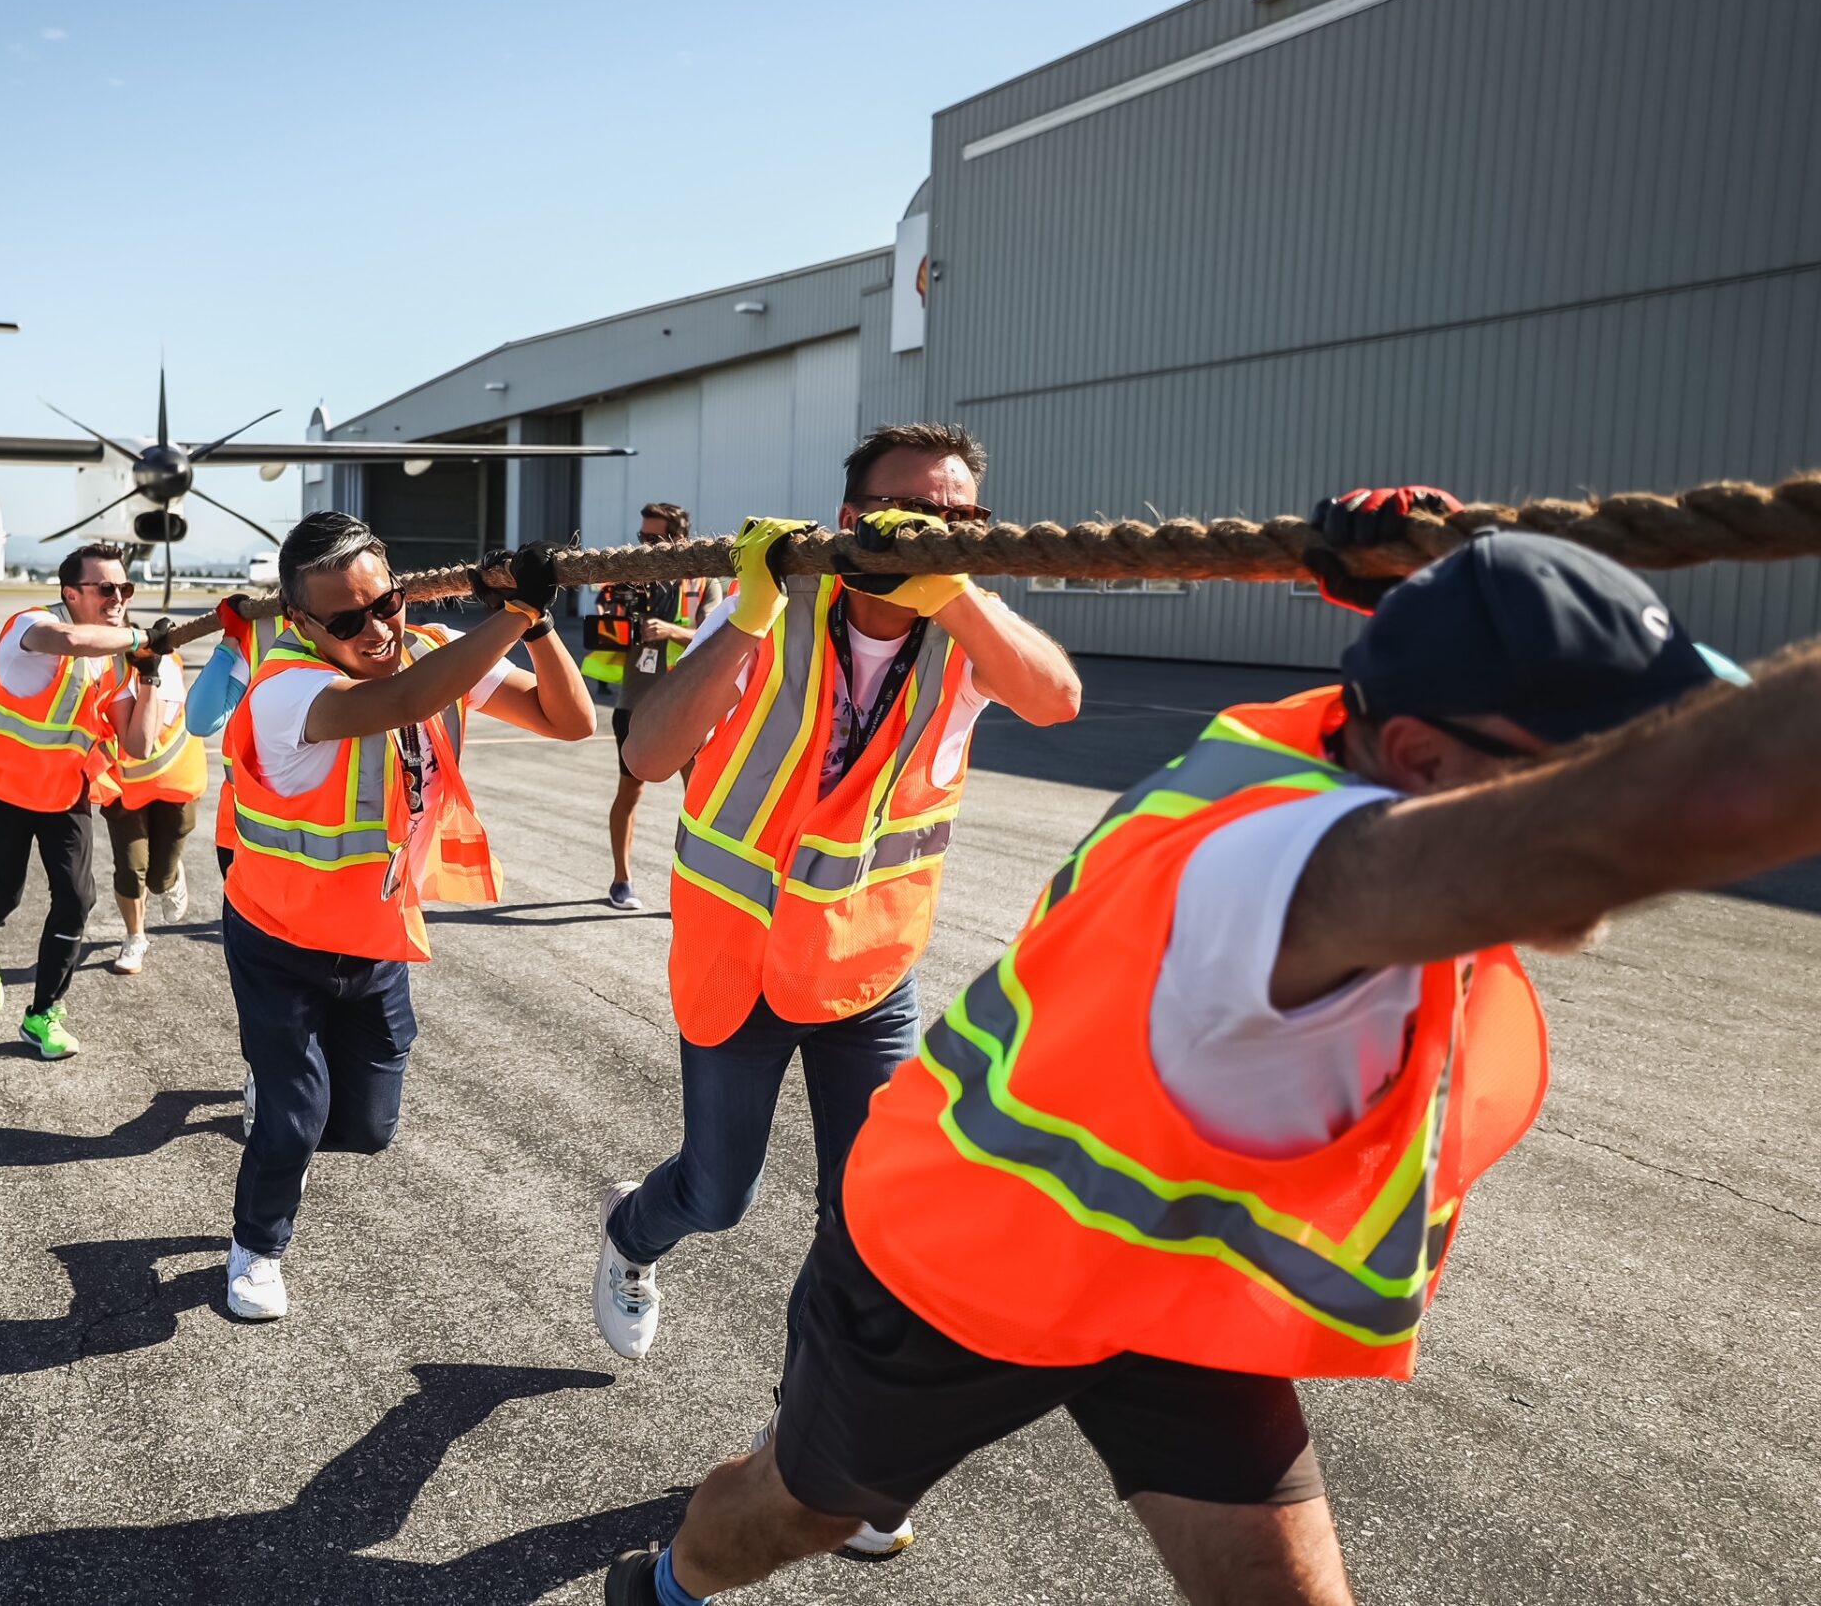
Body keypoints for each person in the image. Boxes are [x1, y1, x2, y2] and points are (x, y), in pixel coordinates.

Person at [604, 523, 1821, 1606]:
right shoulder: (1286, 872)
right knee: (789, 1515)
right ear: (1427, 765)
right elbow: (1694, 803)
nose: (1621, 769)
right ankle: (662, 1586)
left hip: (1174, 1274)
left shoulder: (1329, 740)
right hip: (963, 1272)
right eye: (1594, 754)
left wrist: (1439, 587)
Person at [595, 423, 1083, 1556]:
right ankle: (629, 1230)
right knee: (716, 1197)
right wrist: (752, 614)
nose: (927, 528)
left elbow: (1055, 699)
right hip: (736, 967)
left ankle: (814, 1457)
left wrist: (951, 587)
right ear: (848, 518)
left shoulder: (961, 631)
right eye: (902, 510)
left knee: (870, 1221)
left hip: (865, 969)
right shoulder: (773, 603)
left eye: (955, 515)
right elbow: (650, 754)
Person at [220, 511, 595, 1322]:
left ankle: (286, 1130)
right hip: (278, 936)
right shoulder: (289, 689)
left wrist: (539, 630)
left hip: (374, 934)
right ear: (300, 622)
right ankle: (256, 1245)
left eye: (384, 604)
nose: (376, 629)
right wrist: (513, 612)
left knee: (367, 1127)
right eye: (346, 620)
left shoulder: (424, 647)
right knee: (294, 1113)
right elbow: (400, 700)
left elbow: (571, 721)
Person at [0, 542, 153, 1059]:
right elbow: (67, 639)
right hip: (1, 790)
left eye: (124, 588)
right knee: (5, 894)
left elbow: (137, 744)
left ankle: (42, 1014)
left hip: (65, 795)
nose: (117, 597)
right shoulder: (31, 624)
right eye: (104, 588)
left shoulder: (117, 659)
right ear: (70, 592)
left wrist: (149, 674)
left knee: (76, 898)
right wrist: (136, 637)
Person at [588, 503, 721, 911]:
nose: (644, 545)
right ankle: (621, 881)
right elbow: (604, 636)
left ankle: (696, 885)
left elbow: (714, 636)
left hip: (687, 706)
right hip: (636, 704)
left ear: (678, 539)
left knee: (699, 798)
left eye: (654, 539)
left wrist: (669, 630)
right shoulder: (630, 578)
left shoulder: (703, 581)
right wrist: (609, 617)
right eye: (642, 537)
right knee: (629, 790)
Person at [96, 630, 201, 976]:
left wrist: (148, 677)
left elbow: (145, 736)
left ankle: (171, 878)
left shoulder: (165, 665)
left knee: (158, 880)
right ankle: (134, 937)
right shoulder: (95, 666)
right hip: (122, 786)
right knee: (130, 868)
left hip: (171, 782)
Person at [185, 593, 280, 884]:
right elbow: (202, 719)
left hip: (338, 844)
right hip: (249, 827)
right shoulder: (265, 628)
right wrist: (232, 640)